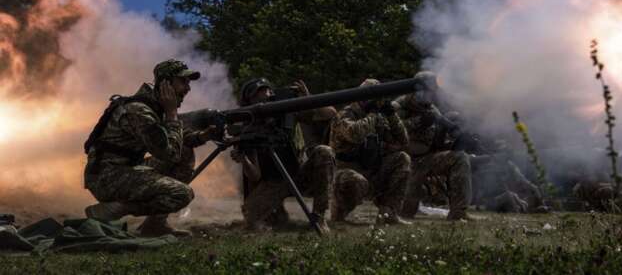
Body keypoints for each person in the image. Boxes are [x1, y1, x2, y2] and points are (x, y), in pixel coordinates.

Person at [83, 59, 216, 236]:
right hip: (106, 177)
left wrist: (203, 136)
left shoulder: (154, 106)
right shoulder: (140, 111)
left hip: (125, 169)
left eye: (188, 83)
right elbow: (170, 153)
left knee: (185, 151)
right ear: (165, 83)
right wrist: (172, 115)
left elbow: (174, 141)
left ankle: (155, 225)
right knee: (182, 194)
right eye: (183, 82)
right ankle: (118, 208)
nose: (188, 88)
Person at [229, 77, 335, 233]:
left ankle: (319, 217)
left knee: (324, 152)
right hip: (274, 182)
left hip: (300, 174)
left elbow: (329, 113)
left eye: (268, 90)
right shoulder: (248, 129)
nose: (267, 95)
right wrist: (243, 159)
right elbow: (255, 175)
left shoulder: (289, 113)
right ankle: (277, 213)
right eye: (260, 93)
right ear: (249, 101)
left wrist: (308, 98)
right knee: (252, 217)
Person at [330, 79, 412, 225]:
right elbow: (354, 134)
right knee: (355, 180)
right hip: (347, 172)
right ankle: (339, 214)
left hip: (372, 171)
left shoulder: (379, 116)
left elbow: (403, 141)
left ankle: (389, 213)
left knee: (402, 158)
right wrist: (372, 115)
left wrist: (392, 116)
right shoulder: (346, 114)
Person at [395, 72, 472, 221]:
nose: (432, 95)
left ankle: (458, 212)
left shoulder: (431, 109)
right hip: (403, 161)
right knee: (405, 212)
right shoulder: (399, 106)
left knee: (460, 158)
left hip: (425, 160)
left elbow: (439, 136)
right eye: (429, 90)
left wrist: (457, 141)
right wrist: (417, 121)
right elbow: (389, 131)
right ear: (418, 89)